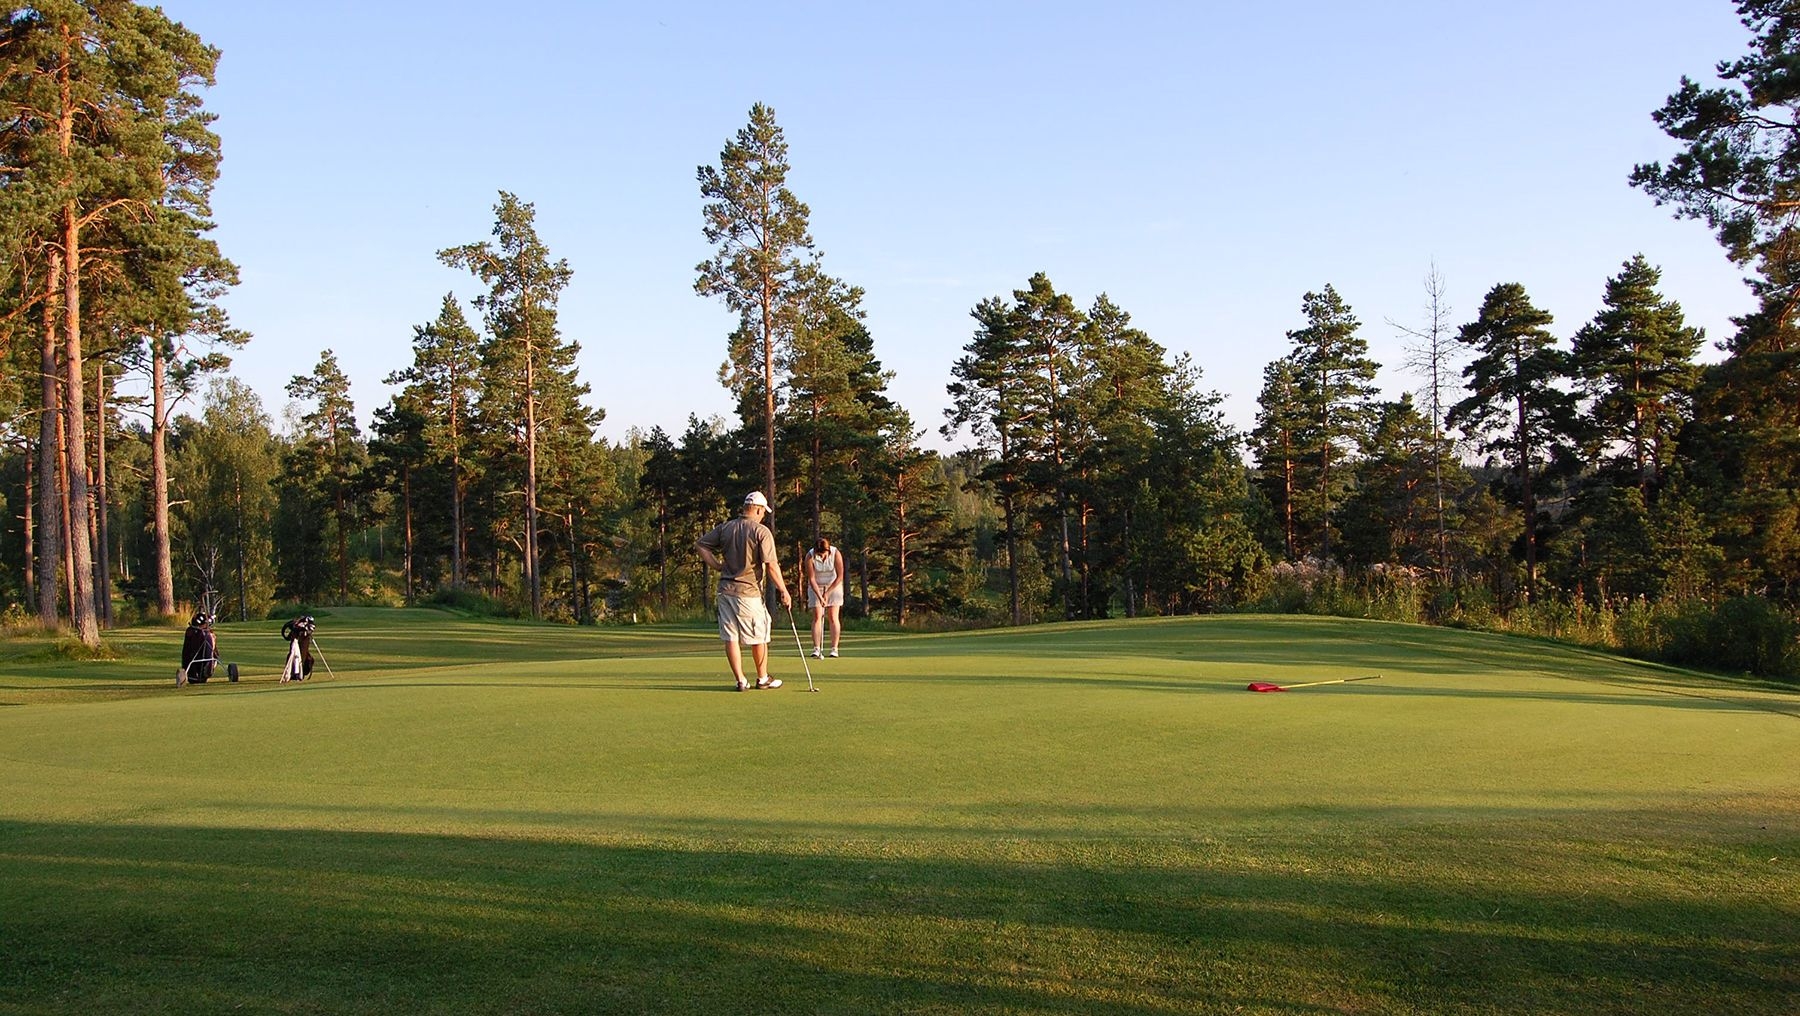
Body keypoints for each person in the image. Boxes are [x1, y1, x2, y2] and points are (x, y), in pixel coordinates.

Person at [695, 491, 793, 691]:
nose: (763, 515)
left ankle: (741, 680)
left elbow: (701, 545)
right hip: (748, 593)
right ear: (757, 509)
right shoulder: (761, 531)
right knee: (760, 636)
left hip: (725, 591)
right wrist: (783, 590)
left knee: (731, 637)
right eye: (762, 512)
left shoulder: (726, 527)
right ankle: (762, 677)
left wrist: (717, 566)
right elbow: (772, 565)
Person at [804, 536, 845, 658]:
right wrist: (820, 596)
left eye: (823, 554)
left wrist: (827, 594)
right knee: (817, 616)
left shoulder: (836, 553)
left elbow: (840, 576)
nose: (821, 556)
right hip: (816, 585)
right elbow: (811, 579)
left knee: (833, 616)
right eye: (819, 554)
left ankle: (834, 649)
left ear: (828, 550)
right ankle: (816, 648)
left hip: (834, 585)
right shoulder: (809, 556)